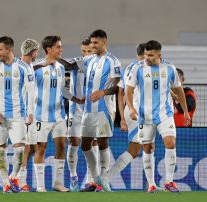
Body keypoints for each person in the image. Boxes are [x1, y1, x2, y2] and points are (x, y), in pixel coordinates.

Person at [126, 40, 191, 193]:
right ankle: (151, 184)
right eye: (146, 54)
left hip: (165, 113)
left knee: (170, 142)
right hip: (144, 114)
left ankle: (169, 182)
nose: (147, 58)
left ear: (159, 55)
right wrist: (131, 109)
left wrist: (186, 112)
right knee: (148, 148)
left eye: (151, 55)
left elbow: (179, 90)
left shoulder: (169, 68)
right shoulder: (137, 68)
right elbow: (129, 90)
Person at [102, 43, 160, 193]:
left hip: (137, 112)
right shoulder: (140, 68)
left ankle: (152, 184)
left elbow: (119, 93)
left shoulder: (129, 68)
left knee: (149, 147)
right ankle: (106, 178)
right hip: (137, 113)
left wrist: (122, 116)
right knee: (135, 150)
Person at [32, 35, 84, 192]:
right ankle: (41, 186)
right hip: (41, 115)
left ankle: (57, 183)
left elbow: (63, 90)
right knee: (41, 148)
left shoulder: (61, 68)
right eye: (58, 47)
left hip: (59, 115)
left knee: (61, 146)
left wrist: (75, 99)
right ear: (49, 49)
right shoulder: (37, 68)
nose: (61, 49)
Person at [0, 36, 34, 193]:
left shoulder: (23, 67)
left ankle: (14, 177)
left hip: (17, 116)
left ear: (8, 49)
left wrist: (30, 113)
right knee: (1, 151)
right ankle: (5, 183)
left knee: (20, 150)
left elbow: (31, 91)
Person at [80, 29, 121, 192]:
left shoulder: (112, 61)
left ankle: (103, 181)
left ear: (105, 42)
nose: (93, 45)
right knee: (85, 144)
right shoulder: (89, 60)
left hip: (104, 109)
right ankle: (96, 177)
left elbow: (118, 86)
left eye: (96, 42)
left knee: (103, 141)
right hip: (88, 109)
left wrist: (103, 92)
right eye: (92, 42)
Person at [62, 36, 96, 192]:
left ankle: (91, 180)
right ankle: (73, 176)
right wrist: (55, 58)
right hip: (76, 110)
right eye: (84, 51)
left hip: (93, 110)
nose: (86, 54)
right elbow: (68, 66)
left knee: (92, 144)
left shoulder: (100, 64)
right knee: (74, 142)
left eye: (89, 51)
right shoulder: (77, 62)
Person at [17, 38, 40, 192]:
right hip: (23, 113)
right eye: (37, 51)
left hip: (30, 113)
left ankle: (19, 178)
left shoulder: (29, 66)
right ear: (33, 53)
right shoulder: (20, 67)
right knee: (25, 147)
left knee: (31, 147)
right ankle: (19, 180)